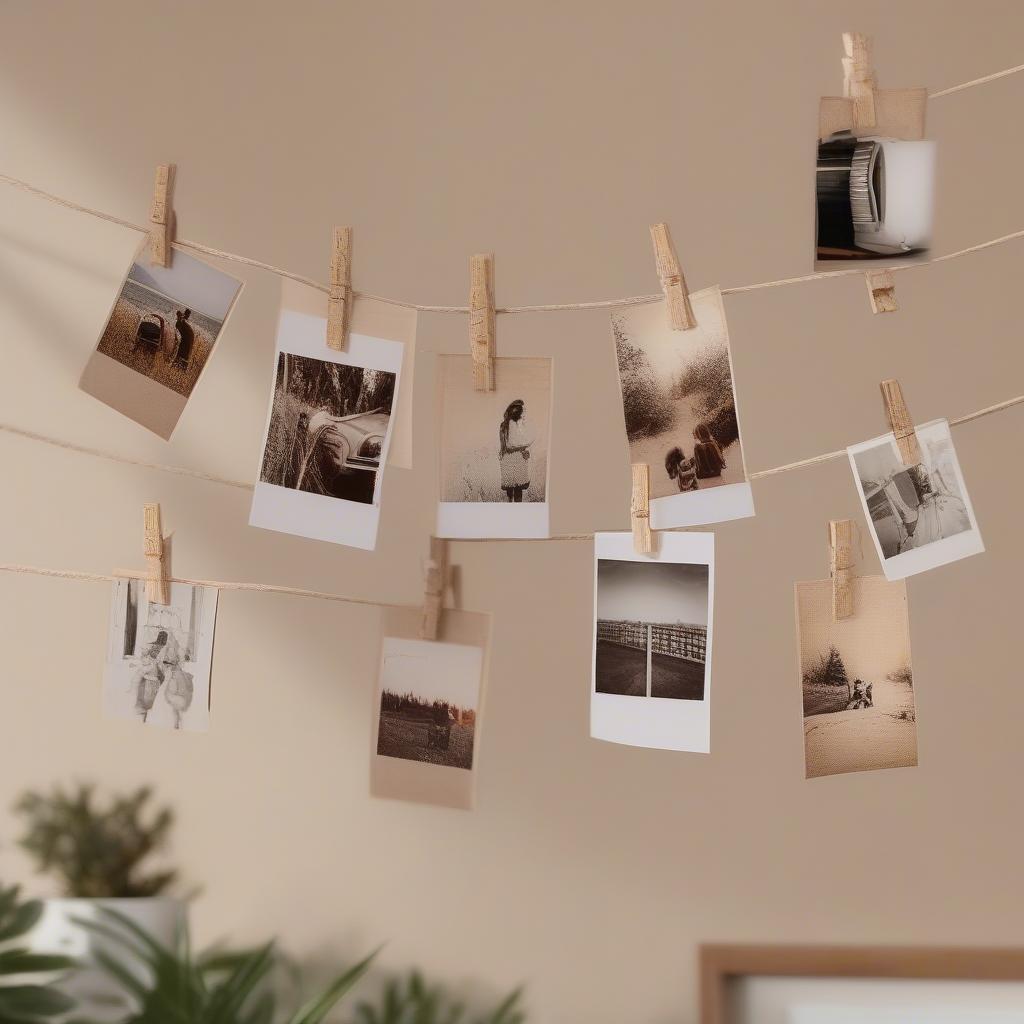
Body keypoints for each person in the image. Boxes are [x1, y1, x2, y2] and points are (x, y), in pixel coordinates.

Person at [498, 399, 534, 502]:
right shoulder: (508, 425)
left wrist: (525, 450)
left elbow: (517, 443)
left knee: (515, 492)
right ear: (517, 413)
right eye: (523, 411)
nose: (525, 413)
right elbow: (508, 447)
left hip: (516, 460)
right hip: (512, 460)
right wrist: (524, 447)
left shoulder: (516, 425)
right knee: (514, 493)